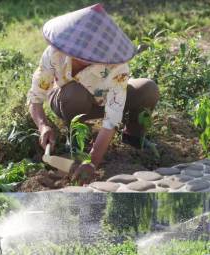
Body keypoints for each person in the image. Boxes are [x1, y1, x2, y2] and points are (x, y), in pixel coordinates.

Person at [27, 3, 160, 183]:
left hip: (101, 101)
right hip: (65, 100)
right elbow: (35, 97)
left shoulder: (116, 66)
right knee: (74, 93)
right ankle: (75, 140)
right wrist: (43, 125)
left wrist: (92, 162)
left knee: (148, 88)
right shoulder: (55, 53)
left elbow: (111, 118)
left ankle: (133, 138)